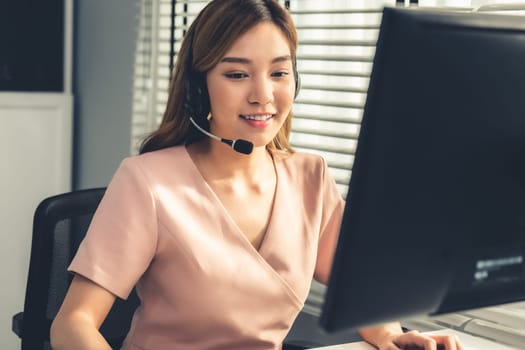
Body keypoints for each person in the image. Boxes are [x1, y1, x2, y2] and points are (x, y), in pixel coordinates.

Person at [50, 1, 464, 349]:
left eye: (279, 73)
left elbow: (355, 291)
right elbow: (73, 322)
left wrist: (392, 335)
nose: (263, 95)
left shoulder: (310, 177)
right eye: (236, 74)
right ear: (199, 87)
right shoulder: (148, 181)